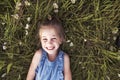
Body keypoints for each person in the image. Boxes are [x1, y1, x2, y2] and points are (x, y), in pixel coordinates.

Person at [26, 15, 72, 80]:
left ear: (60, 39)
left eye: (53, 38)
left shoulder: (64, 58)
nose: (49, 43)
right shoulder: (39, 55)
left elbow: (67, 75)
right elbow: (31, 72)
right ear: (40, 40)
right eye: (45, 39)